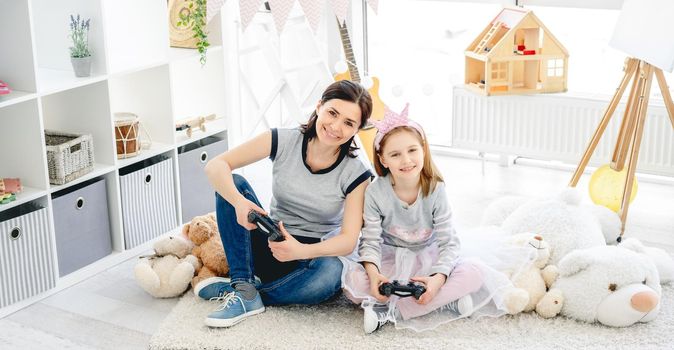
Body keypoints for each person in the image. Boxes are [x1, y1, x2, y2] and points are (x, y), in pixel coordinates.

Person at [199, 80, 373, 328]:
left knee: (333, 273)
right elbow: (215, 166)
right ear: (319, 106)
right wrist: (239, 202)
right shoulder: (282, 139)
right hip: (269, 237)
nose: (336, 127)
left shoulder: (356, 173)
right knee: (233, 183)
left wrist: (301, 250)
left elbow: (348, 240)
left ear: (357, 130)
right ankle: (245, 285)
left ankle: (248, 292)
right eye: (332, 113)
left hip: (307, 260)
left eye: (349, 123)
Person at [341, 103, 520, 333]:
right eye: (395, 154)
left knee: (474, 272)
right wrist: (375, 277)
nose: (406, 160)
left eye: (412, 150)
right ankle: (445, 302)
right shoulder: (376, 192)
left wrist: (437, 279)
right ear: (383, 159)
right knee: (352, 284)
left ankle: (391, 311)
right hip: (390, 257)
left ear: (423, 150)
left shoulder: (435, 189)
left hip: (429, 256)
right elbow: (371, 241)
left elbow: (448, 242)